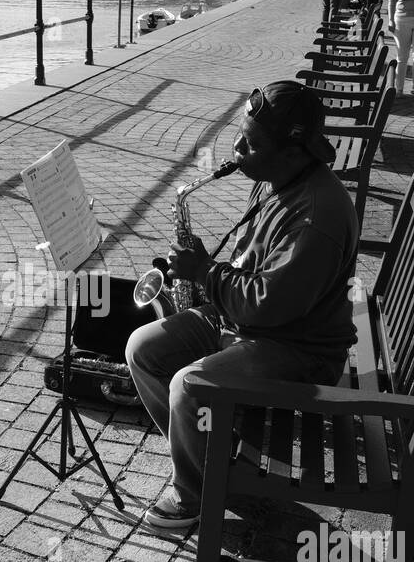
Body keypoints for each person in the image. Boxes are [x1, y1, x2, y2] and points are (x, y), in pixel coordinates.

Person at [125, 82, 359, 528]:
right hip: (255, 326)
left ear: (293, 151)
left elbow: (268, 305)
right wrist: (203, 265)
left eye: (250, 143)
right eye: (240, 134)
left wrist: (205, 274)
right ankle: (210, 460)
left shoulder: (315, 215)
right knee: (142, 348)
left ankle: (196, 495)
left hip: (299, 350)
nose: (235, 148)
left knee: (189, 386)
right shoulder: (277, 179)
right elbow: (251, 271)